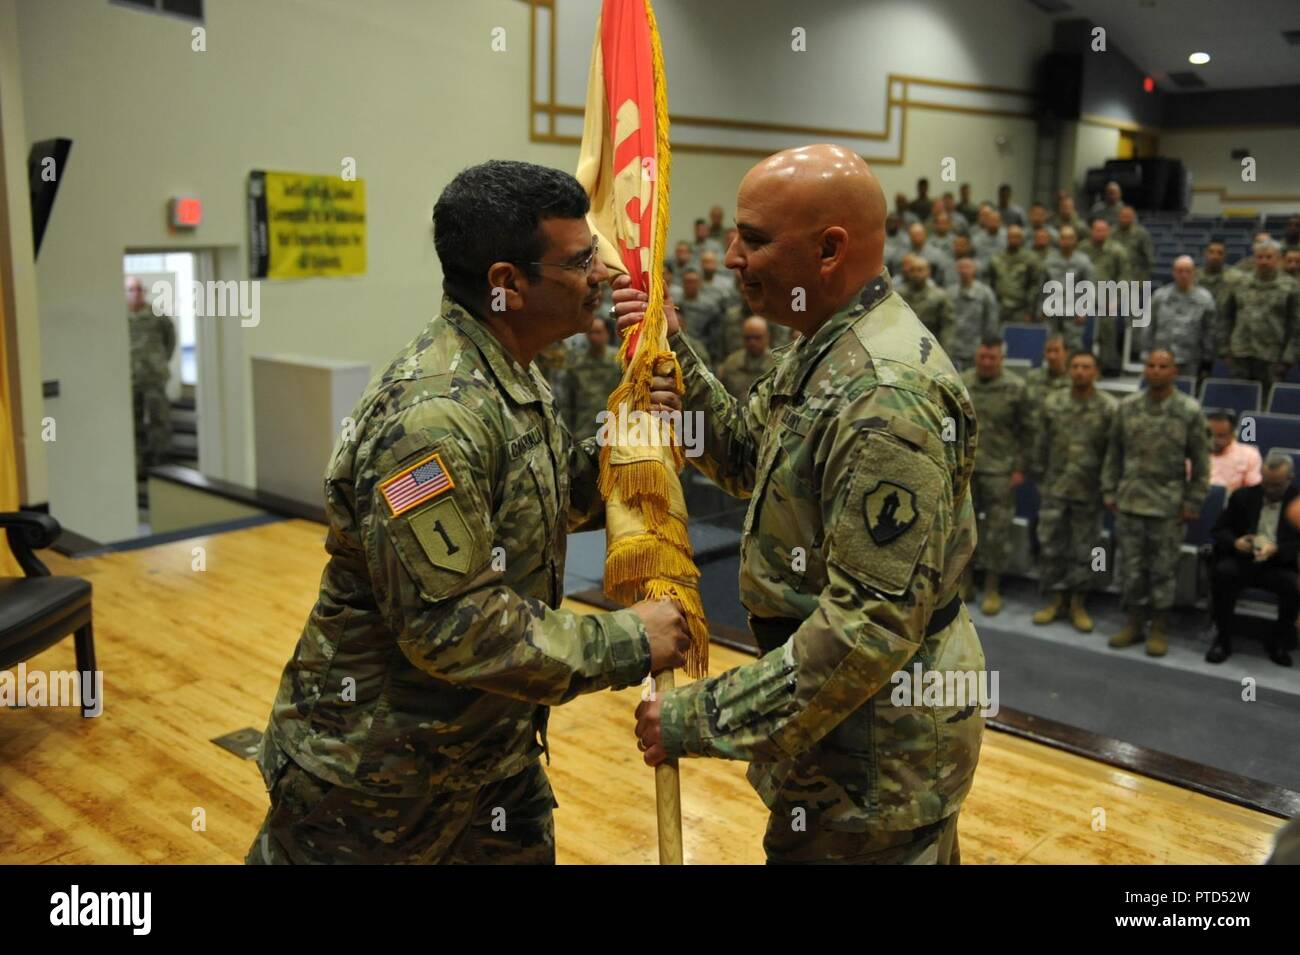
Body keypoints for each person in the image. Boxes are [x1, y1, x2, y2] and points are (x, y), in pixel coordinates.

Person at [247, 160, 691, 865]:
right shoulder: (434, 415)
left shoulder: (507, 371)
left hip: (488, 762)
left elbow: (544, 499)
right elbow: (453, 626)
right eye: (580, 262)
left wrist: (635, 430)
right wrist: (629, 641)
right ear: (507, 284)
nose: (603, 277)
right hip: (375, 786)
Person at [618, 143, 983, 865]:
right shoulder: (823, 342)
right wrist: (673, 355)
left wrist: (697, 716)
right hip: (838, 735)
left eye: (753, 238)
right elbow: (753, 461)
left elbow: (868, 627)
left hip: (878, 756)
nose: (730, 256)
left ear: (829, 249)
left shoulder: (886, 393)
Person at [1102, 349, 1210, 657]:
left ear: (1175, 371)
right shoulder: (1128, 407)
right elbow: (1114, 454)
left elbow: (1201, 464)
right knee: (1132, 568)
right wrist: (1110, 491)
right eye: (1151, 365)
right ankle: (1134, 623)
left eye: (1164, 366)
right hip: (1131, 501)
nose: (1156, 370)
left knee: (1163, 571)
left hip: (1168, 506)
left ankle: (1159, 627)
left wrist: (1193, 501)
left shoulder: (1189, 410)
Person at [1031, 349, 1116, 631]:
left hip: (1089, 492)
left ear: (1096, 372)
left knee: (1085, 550)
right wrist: (1040, 478)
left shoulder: (1109, 408)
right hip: (1055, 488)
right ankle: (1055, 600)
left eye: (1086, 367)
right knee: (1052, 546)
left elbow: (1114, 453)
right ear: (1069, 370)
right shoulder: (1053, 403)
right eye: (1076, 366)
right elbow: (1041, 444)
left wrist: (1108, 487)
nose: (1080, 371)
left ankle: (1078, 603)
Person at [963, 335, 1032, 616]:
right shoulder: (963, 382)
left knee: (997, 531)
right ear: (976, 357)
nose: (987, 363)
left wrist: (1020, 467)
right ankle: (963, 582)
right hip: (966, 469)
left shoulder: (1017, 388)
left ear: (1001, 358)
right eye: (983, 357)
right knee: (963, 529)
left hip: (1000, 471)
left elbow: (1027, 431)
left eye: (993, 358)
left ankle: (992, 587)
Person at [1208, 452, 1298, 667]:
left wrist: (1277, 549)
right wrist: (1236, 542)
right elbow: (1219, 530)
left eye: (1276, 486)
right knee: (1222, 573)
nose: (1269, 490)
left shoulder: (1298, 505)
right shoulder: (1243, 496)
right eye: (1266, 483)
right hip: (1243, 561)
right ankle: (1223, 638)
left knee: (1293, 586)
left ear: (1290, 480)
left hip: (1278, 565)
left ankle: (1279, 641)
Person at [1220, 239, 1300, 392]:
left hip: (1272, 357)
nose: (1264, 261)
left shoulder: (1291, 287)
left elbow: (1296, 326)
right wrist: (1225, 349)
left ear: (1278, 259)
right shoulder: (1239, 283)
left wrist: (1288, 359)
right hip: (1240, 353)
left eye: (1269, 257)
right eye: (1260, 257)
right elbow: (1226, 317)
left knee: (1266, 402)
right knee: (1238, 399)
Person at [126, 275, 176, 478]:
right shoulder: (118, 317)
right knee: (132, 422)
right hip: (129, 379)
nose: (137, 293)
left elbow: (170, 340)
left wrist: (160, 361)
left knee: (159, 420)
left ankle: (161, 464)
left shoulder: (157, 315)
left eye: (140, 289)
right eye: (131, 289)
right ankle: (136, 464)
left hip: (154, 377)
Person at [1144, 255, 1217, 379]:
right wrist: (1147, 353)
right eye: (1180, 271)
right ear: (1173, 272)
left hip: (1190, 361)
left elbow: (1209, 332)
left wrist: (1207, 359)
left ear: (1194, 273)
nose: (1183, 275)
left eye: (1188, 271)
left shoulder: (1205, 300)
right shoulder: (1160, 297)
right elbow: (1149, 326)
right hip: (1161, 361)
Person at [1079, 218, 1131, 376]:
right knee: (1080, 330)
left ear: (1108, 232)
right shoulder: (1083, 249)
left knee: (1107, 329)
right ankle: (1082, 363)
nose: (1099, 233)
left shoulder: (1117, 250)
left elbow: (1125, 277)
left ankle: (1105, 365)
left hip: (1108, 297)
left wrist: (1116, 299)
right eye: (1096, 229)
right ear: (1091, 231)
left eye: (1103, 230)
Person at [559, 318, 623, 441]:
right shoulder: (576, 363)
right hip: (584, 429)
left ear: (607, 334)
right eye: (590, 333)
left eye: (598, 332)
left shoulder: (619, 360)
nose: (594, 337)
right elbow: (568, 400)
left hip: (613, 428)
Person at [1039, 225, 1094, 349]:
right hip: (1052, 311)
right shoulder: (1049, 260)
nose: (1066, 242)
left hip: (1073, 312)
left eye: (1070, 238)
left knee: (1073, 345)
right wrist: (1042, 307)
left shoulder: (1083, 261)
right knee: (1051, 344)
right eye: (1063, 238)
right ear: (1059, 240)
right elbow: (1042, 285)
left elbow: (1089, 286)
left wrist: (1084, 310)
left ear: (1075, 240)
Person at [946, 256, 998, 370]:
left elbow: (991, 320)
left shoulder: (985, 292)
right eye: (961, 267)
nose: (964, 271)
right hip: (952, 347)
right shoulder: (949, 292)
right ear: (956, 269)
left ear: (975, 269)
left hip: (975, 346)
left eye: (968, 267)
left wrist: (986, 344)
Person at [987, 224, 1039, 324]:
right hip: (1000, 307)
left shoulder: (1030, 259)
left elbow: (1034, 286)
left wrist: (1030, 310)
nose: (1014, 239)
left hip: (1021, 309)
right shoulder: (996, 258)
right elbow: (991, 283)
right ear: (1007, 238)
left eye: (1017, 237)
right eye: (1011, 236)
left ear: (1021, 239)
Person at [716, 316, 775, 400]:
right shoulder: (731, 362)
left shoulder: (776, 364)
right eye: (748, 338)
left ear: (768, 337)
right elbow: (720, 393)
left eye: (757, 337)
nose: (752, 342)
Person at [1207, 410, 1262, 494]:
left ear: (1233, 434)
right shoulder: (1192, 452)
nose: (1213, 440)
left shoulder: (1249, 455)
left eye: (1221, 436)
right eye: (1209, 435)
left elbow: (1253, 490)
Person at [1023, 333, 1070, 412]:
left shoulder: (1074, 379)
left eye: (1056, 351)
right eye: (1048, 351)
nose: (1052, 356)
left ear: (1066, 353)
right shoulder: (1033, 377)